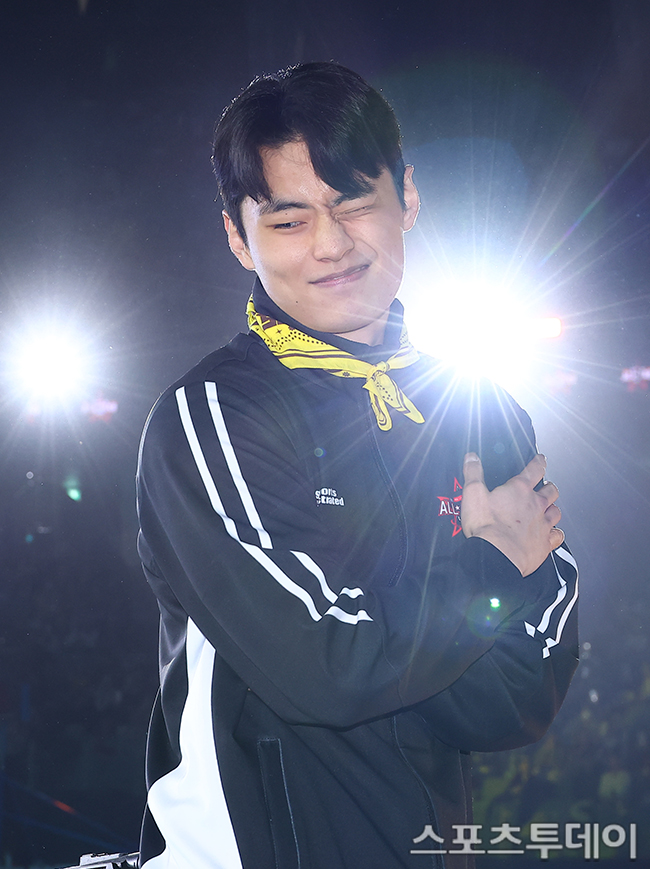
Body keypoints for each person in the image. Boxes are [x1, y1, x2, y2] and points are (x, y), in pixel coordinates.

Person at [136, 61, 578, 869]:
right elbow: (325, 665)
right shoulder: (214, 416)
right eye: (289, 220)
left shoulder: (481, 411)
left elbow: (520, 696)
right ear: (237, 236)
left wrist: (389, 639)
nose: (332, 244)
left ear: (406, 196)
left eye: (353, 203)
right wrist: (487, 567)